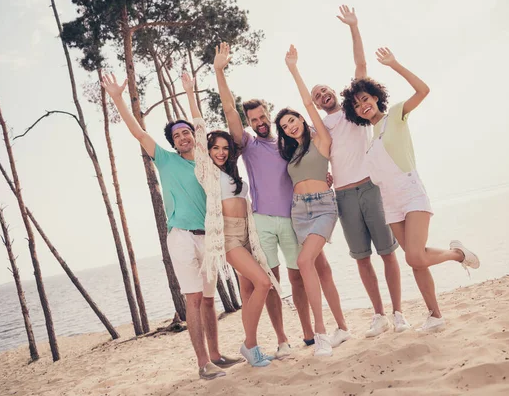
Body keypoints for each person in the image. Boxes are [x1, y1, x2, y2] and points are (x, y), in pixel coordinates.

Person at [101, 73, 244, 379]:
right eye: (176, 135)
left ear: (194, 135)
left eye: (186, 132)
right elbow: (139, 133)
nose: (182, 136)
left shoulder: (207, 161)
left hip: (209, 239)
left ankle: (216, 356)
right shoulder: (165, 160)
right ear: (172, 142)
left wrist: (190, 91)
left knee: (208, 300)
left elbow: (201, 123)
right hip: (181, 238)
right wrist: (117, 98)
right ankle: (203, 363)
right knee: (193, 299)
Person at [213, 43, 349, 354]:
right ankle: (282, 341)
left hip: (293, 216)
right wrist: (220, 72)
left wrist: (325, 178)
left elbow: (311, 163)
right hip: (261, 220)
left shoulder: (287, 144)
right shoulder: (247, 144)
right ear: (249, 123)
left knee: (299, 276)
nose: (259, 122)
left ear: (269, 115)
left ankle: (309, 334)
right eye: (254, 119)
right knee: (272, 281)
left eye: (263, 116)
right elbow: (229, 111)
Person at [340, 47, 480, 331]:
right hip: (389, 203)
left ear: (375, 97)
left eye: (365, 99)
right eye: (357, 105)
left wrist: (394, 64)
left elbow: (423, 90)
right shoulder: (370, 137)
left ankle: (458, 254)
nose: (363, 106)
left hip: (411, 192)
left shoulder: (395, 115)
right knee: (417, 263)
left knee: (414, 256)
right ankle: (435, 315)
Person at [311, 5, 410, 336]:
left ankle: (398, 312)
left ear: (332, 92)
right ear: (314, 103)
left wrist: (354, 26)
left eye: (324, 90)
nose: (322, 95)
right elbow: (314, 157)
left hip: (371, 188)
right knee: (361, 258)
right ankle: (378, 314)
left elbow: (361, 65)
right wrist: (322, 177)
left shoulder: (355, 110)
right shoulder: (320, 126)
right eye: (316, 95)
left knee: (387, 253)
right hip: (343, 196)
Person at [181, 72, 280, 367]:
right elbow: (199, 132)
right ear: (208, 152)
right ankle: (249, 346)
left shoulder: (233, 173)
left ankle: (252, 346)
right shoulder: (207, 172)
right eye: (216, 148)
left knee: (251, 289)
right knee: (264, 283)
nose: (221, 152)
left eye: (225, 148)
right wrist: (190, 93)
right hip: (227, 237)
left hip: (247, 234)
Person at [276, 45, 351, 357]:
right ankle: (343, 327)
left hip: (322, 207)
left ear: (300, 119)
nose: (291, 126)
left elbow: (308, 102)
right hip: (298, 213)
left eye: (292, 120)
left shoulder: (320, 138)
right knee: (322, 269)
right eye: (285, 127)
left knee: (304, 262)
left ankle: (320, 333)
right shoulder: (291, 153)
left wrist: (294, 69)